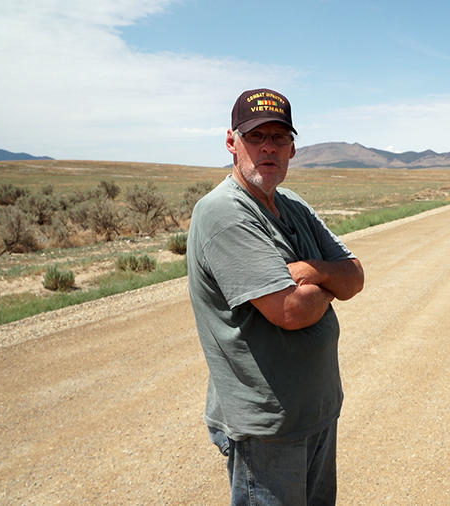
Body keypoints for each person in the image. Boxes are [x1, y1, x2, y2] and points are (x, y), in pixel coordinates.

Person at [187, 88, 364, 506]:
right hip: (268, 427)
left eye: (279, 137)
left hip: (316, 412)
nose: (268, 147)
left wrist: (311, 273)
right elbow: (290, 309)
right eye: (255, 136)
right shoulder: (224, 213)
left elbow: (355, 277)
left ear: (292, 148)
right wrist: (329, 284)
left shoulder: (293, 205)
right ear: (231, 142)